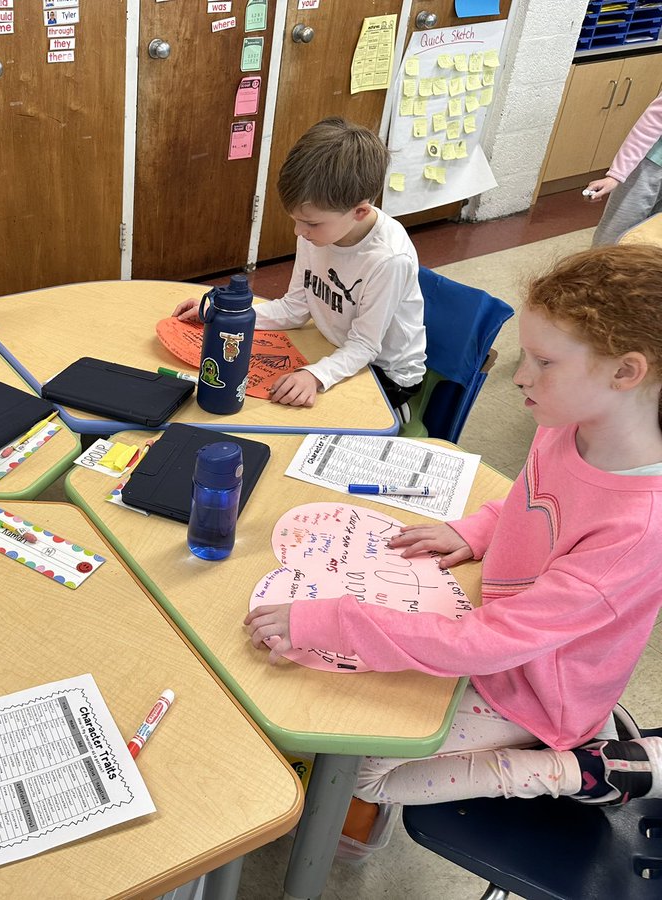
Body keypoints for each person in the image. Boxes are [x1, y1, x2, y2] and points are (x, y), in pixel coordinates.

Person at [244, 244, 662, 809]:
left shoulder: (637, 530)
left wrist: (336, 621)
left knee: (360, 777)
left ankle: (574, 769)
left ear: (626, 373)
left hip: (537, 691)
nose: (520, 377)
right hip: (497, 622)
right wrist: (480, 529)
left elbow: (489, 645)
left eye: (545, 362)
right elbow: (535, 497)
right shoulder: (572, 421)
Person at [173, 117, 425, 415]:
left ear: (359, 212)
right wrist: (228, 316)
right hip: (333, 347)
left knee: (277, 416)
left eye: (310, 223)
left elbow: (366, 346)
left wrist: (315, 376)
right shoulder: (319, 232)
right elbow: (294, 309)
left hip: (385, 375)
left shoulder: (388, 259)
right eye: (296, 220)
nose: (299, 232)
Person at [586, 89, 662, 247]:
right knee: (613, 236)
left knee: (653, 241)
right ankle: (596, 270)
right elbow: (649, 126)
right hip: (649, 166)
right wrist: (616, 175)